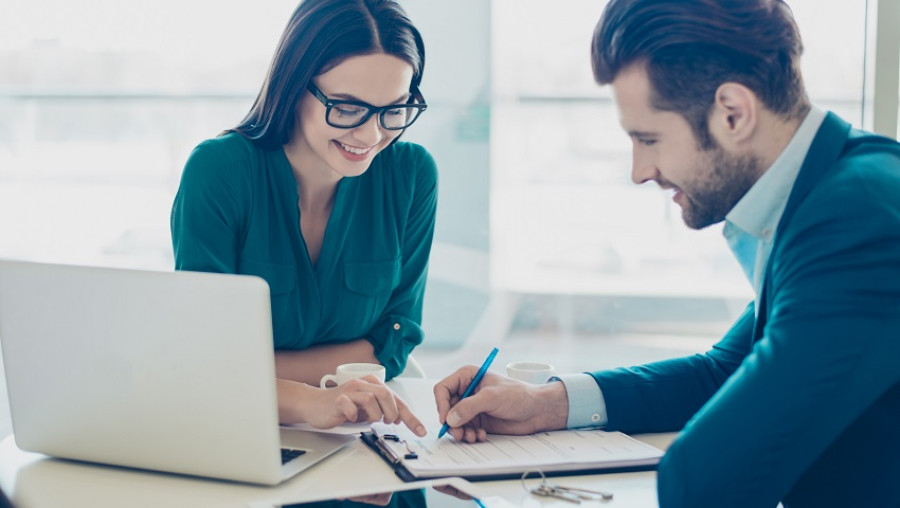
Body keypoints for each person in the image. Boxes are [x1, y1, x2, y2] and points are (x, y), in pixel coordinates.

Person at [434, 1, 900, 506]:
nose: (639, 171)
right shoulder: (832, 191)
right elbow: (724, 372)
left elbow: (705, 478)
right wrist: (543, 404)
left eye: (649, 138)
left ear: (733, 113)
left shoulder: (858, 219)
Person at [170, 0, 435, 436]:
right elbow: (204, 360)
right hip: (235, 433)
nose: (371, 135)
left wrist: (257, 374)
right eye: (348, 108)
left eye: (395, 109)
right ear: (295, 87)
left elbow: (395, 339)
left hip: (358, 433)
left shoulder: (412, 175)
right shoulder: (220, 171)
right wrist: (312, 402)